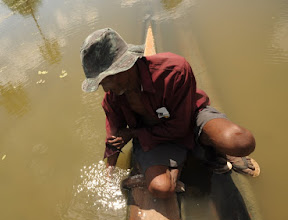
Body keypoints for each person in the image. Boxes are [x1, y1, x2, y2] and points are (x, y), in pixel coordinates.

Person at [80, 28, 260, 199]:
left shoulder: (174, 70)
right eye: (102, 82)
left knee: (241, 142)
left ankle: (210, 148)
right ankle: (191, 160)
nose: (106, 88)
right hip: (155, 137)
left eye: (108, 78)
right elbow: (113, 136)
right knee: (160, 188)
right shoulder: (113, 97)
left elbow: (181, 127)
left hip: (191, 117)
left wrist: (133, 134)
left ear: (125, 65)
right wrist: (108, 174)